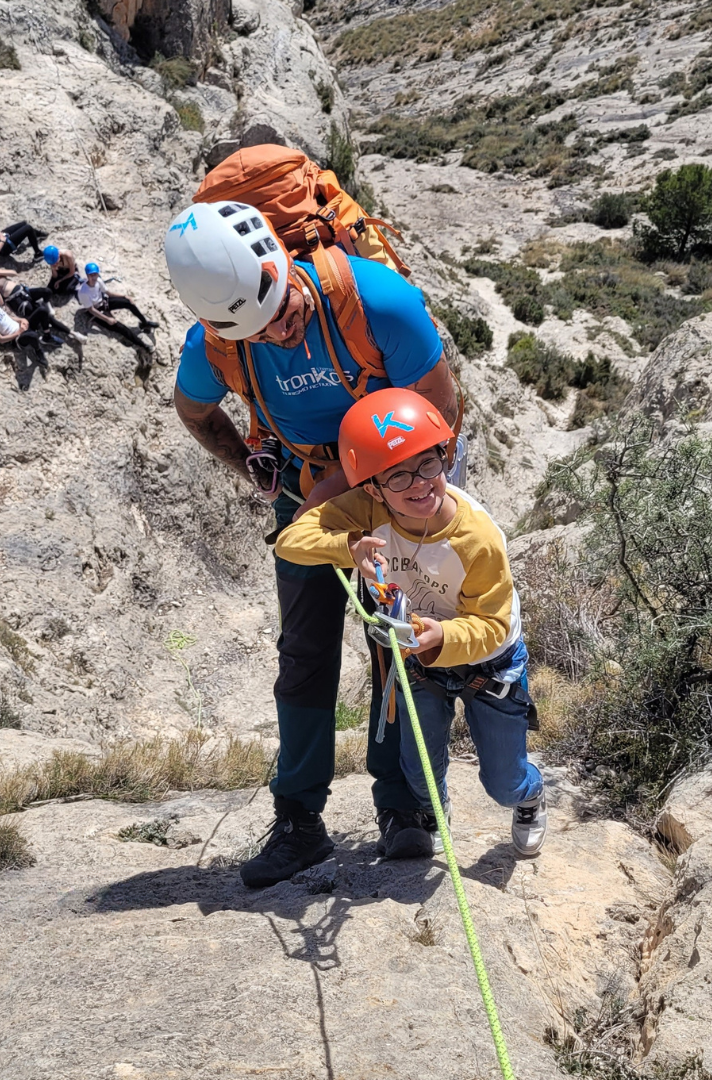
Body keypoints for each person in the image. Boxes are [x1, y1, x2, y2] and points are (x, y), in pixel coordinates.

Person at [164, 199, 460, 889]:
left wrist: (376, 489)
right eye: (259, 332)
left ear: (281, 258)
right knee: (304, 651)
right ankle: (298, 820)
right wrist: (257, 472)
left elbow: (442, 411)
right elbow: (194, 411)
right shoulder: (216, 347)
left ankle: (405, 806)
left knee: (399, 640)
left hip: (397, 485)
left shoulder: (378, 302)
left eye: (284, 311)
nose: (280, 330)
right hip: (306, 494)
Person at [276, 389, 547, 858]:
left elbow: (494, 625)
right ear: (372, 488)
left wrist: (443, 636)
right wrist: (348, 548)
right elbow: (291, 539)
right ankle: (431, 809)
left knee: (503, 784)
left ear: (445, 459)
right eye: (399, 475)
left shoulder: (477, 538)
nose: (420, 484)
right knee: (419, 779)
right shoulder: (367, 512)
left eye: (428, 464)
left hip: (488, 662)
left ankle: (529, 796)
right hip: (421, 658)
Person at [0, 265, 87, 350]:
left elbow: (14, 273)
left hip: (24, 291)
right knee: (45, 316)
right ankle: (71, 333)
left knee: (46, 292)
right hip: (16, 300)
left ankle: (48, 311)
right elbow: (0, 302)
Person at [78, 262, 158, 347]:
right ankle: (144, 346)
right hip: (96, 311)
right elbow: (91, 310)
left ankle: (144, 323)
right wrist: (107, 319)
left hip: (103, 303)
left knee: (128, 302)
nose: (94, 277)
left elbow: (109, 293)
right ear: (87, 275)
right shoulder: (83, 292)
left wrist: (125, 296)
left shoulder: (98, 281)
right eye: (91, 275)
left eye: (95, 274)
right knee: (121, 328)